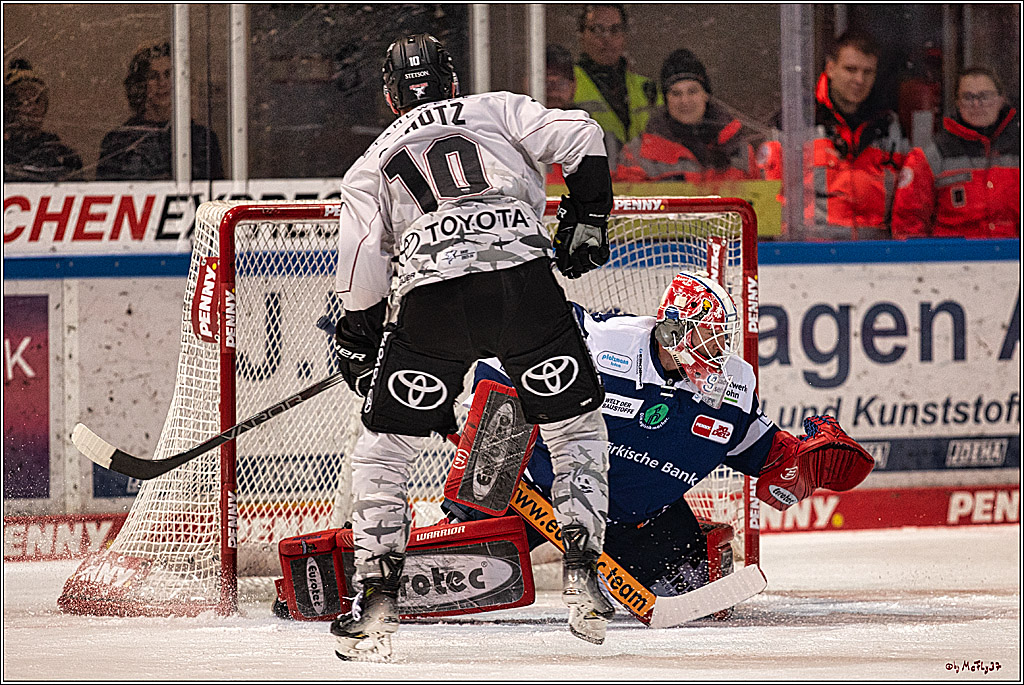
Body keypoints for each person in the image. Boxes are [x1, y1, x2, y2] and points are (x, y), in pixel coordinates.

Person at [329, 33, 615, 660]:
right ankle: (584, 571)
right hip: (524, 292)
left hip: (436, 307)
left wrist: (359, 336)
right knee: (573, 430)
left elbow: (361, 268)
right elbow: (583, 135)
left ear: (388, 96)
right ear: (453, 82)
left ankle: (376, 593)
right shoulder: (499, 108)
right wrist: (588, 214)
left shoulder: (369, 164)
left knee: (384, 448)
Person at [445, 271, 875, 600]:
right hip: (537, 495)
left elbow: (763, 454)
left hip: (636, 522)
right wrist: (489, 417)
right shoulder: (605, 343)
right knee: (453, 576)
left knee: (695, 590)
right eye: (708, 336)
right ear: (673, 329)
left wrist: (799, 462)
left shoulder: (734, 388)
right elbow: (520, 347)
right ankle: (445, 534)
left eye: (721, 338)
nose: (717, 350)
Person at [760, 31, 907, 240]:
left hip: (876, 255)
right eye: (850, 69)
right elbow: (769, 199)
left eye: (868, 72)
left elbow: (905, 200)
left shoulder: (888, 125)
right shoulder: (795, 121)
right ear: (830, 68)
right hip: (811, 256)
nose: (859, 79)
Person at [892, 66, 1019, 238]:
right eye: (968, 97)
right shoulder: (930, 156)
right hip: (952, 260)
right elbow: (908, 225)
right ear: (957, 103)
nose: (976, 104)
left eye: (984, 96)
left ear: (1000, 99)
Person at [614, 49, 765, 184]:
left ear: (706, 95)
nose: (684, 101)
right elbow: (629, 210)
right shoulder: (638, 153)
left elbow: (760, 206)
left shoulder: (739, 148)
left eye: (692, 91)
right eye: (676, 93)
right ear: (666, 100)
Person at [97, 40, 223, 181]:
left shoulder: (202, 139)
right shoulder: (118, 141)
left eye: (168, 74)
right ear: (141, 83)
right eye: (153, 76)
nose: (162, 83)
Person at [572, 4, 660, 155]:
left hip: (640, 176)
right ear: (581, 35)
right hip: (589, 174)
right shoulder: (565, 86)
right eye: (597, 30)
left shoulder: (647, 88)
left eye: (615, 30)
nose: (606, 39)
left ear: (624, 36)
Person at [3, 59, 82, 182]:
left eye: (37, 100)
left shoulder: (63, 156)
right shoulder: (6, 155)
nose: (31, 108)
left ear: (45, 106)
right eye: (22, 101)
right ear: (8, 108)